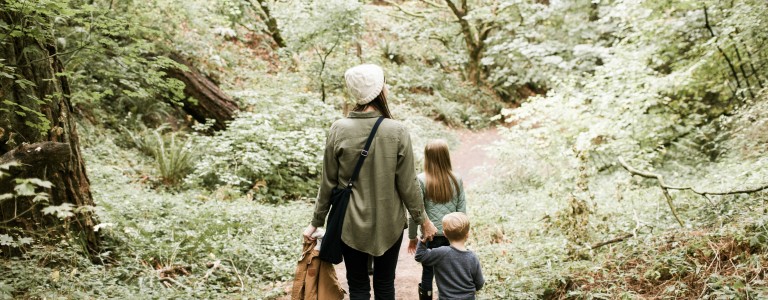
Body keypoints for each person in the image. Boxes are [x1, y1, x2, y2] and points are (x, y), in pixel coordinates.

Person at [303, 63, 437, 300]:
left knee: (358, 288)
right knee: (385, 285)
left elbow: (328, 183)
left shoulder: (338, 129)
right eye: (384, 83)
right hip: (390, 224)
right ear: (378, 91)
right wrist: (423, 221)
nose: (386, 87)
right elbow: (408, 185)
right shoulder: (397, 131)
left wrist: (316, 222)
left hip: (350, 224)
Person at [407, 139, 466, 299]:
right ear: (446, 156)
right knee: (450, 273)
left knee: (428, 272)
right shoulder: (456, 179)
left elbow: (415, 212)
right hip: (452, 236)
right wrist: (461, 236)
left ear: (427, 157)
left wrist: (412, 237)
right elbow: (462, 212)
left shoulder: (420, 180)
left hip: (430, 236)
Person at [415, 212, 484, 300]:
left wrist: (424, 239)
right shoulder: (472, 257)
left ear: (445, 234)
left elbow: (419, 256)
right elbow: (479, 283)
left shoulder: (440, 253)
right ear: (467, 235)